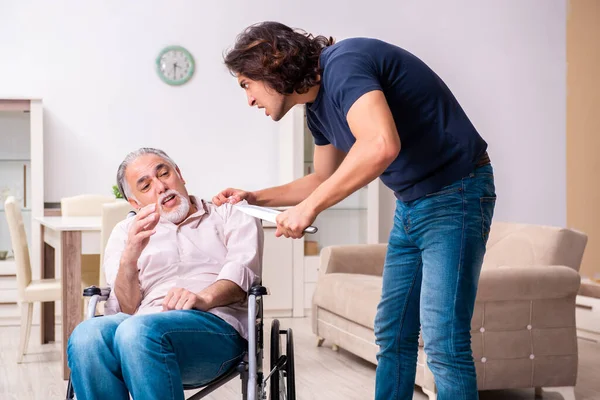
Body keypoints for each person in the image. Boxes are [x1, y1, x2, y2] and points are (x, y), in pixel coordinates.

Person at [214, 22, 496, 400]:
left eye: (246, 84)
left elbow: (380, 145)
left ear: (271, 62)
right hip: (411, 204)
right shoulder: (315, 110)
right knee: (393, 333)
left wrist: (308, 210)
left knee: (443, 339)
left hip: (455, 193)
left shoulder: (345, 63)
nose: (249, 99)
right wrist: (255, 197)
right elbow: (322, 178)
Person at [67, 147, 263, 400]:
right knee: (87, 334)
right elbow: (125, 307)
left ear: (179, 174)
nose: (160, 187)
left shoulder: (229, 212)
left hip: (214, 327)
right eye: (145, 186)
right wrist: (131, 255)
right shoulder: (125, 232)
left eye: (164, 173)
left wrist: (202, 299)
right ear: (135, 204)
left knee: (136, 331)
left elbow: (242, 276)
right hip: (136, 331)